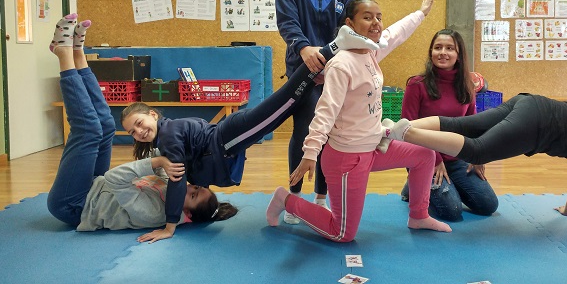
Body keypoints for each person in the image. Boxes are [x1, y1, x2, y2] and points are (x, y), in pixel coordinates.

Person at [121, 25, 378, 242]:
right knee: (288, 100)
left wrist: (169, 227)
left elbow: (178, 181)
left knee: (286, 99)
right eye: (133, 131)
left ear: (153, 114)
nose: (139, 131)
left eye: (140, 123)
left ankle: (334, 46)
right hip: (229, 137)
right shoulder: (165, 137)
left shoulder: (167, 136)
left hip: (228, 138)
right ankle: (325, 60)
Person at [383, 94, 567, 259]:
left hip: (530, 103)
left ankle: (389, 130)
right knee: (478, 150)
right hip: (538, 123)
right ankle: (406, 133)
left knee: (464, 126)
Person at [266, 0, 453, 242]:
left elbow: (395, 33)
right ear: (350, 24)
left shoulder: (370, 52)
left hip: (373, 146)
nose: (376, 23)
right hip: (348, 157)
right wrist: (311, 153)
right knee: (342, 233)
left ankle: (418, 216)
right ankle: (285, 200)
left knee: (425, 155)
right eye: (367, 17)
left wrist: (420, 14)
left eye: (379, 17)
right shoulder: (341, 65)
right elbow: (325, 111)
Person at [46, 14, 235, 238]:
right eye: (196, 187)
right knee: (106, 126)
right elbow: (160, 159)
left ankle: (63, 54)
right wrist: (173, 151)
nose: (189, 188)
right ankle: (78, 54)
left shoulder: (154, 213)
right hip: (95, 186)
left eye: (192, 196)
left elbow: (114, 178)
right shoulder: (172, 187)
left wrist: (157, 162)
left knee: (89, 131)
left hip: (74, 204)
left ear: (186, 213)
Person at [276, 0, 353, 224]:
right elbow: (287, 20)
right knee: (305, 130)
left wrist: (332, 61)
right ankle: (294, 198)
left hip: (334, 71)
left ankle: (321, 198)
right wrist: (304, 49)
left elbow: (348, 29)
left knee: (330, 135)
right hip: (301, 69)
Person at [398, 29, 498, 221]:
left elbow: (473, 126)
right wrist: (435, 160)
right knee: (452, 211)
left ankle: (422, 185)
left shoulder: (467, 86)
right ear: (431, 52)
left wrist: (477, 155)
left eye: (449, 48)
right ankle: (414, 184)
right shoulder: (416, 84)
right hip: (425, 158)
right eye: (438, 47)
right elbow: (406, 130)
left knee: (488, 205)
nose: (443, 52)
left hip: (456, 158)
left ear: (458, 55)